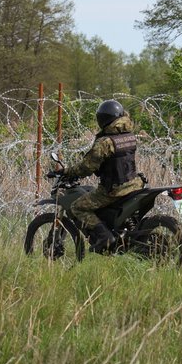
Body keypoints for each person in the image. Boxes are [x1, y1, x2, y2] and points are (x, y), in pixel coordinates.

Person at [52, 99, 143, 252]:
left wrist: (67, 171)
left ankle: (105, 237)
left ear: (103, 119)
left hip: (114, 190)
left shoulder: (105, 142)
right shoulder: (129, 136)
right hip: (134, 184)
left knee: (78, 207)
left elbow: (87, 167)